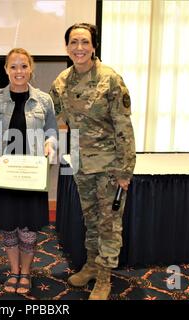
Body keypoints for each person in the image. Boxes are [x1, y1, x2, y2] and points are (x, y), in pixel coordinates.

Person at [49, 23, 136, 300]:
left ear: (93, 46)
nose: (79, 48)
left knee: (109, 223)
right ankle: (90, 265)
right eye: (73, 42)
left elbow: (124, 126)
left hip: (110, 167)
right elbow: (49, 115)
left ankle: (104, 277)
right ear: (66, 47)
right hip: (80, 164)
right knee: (91, 220)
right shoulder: (62, 81)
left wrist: (126, 170)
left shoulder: (110, 79)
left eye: (84, 42)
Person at [0, 48, 57, 294]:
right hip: (4, 173)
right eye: (13, 66)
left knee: (27, 229)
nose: (19, 71)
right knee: (8, 226)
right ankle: (13, 270)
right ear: (6, 69)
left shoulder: (44, 100)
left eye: (24, 66)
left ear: (31, 69)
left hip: (31, 174)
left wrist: (50, 144)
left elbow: (52, 131)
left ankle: (25, 273)